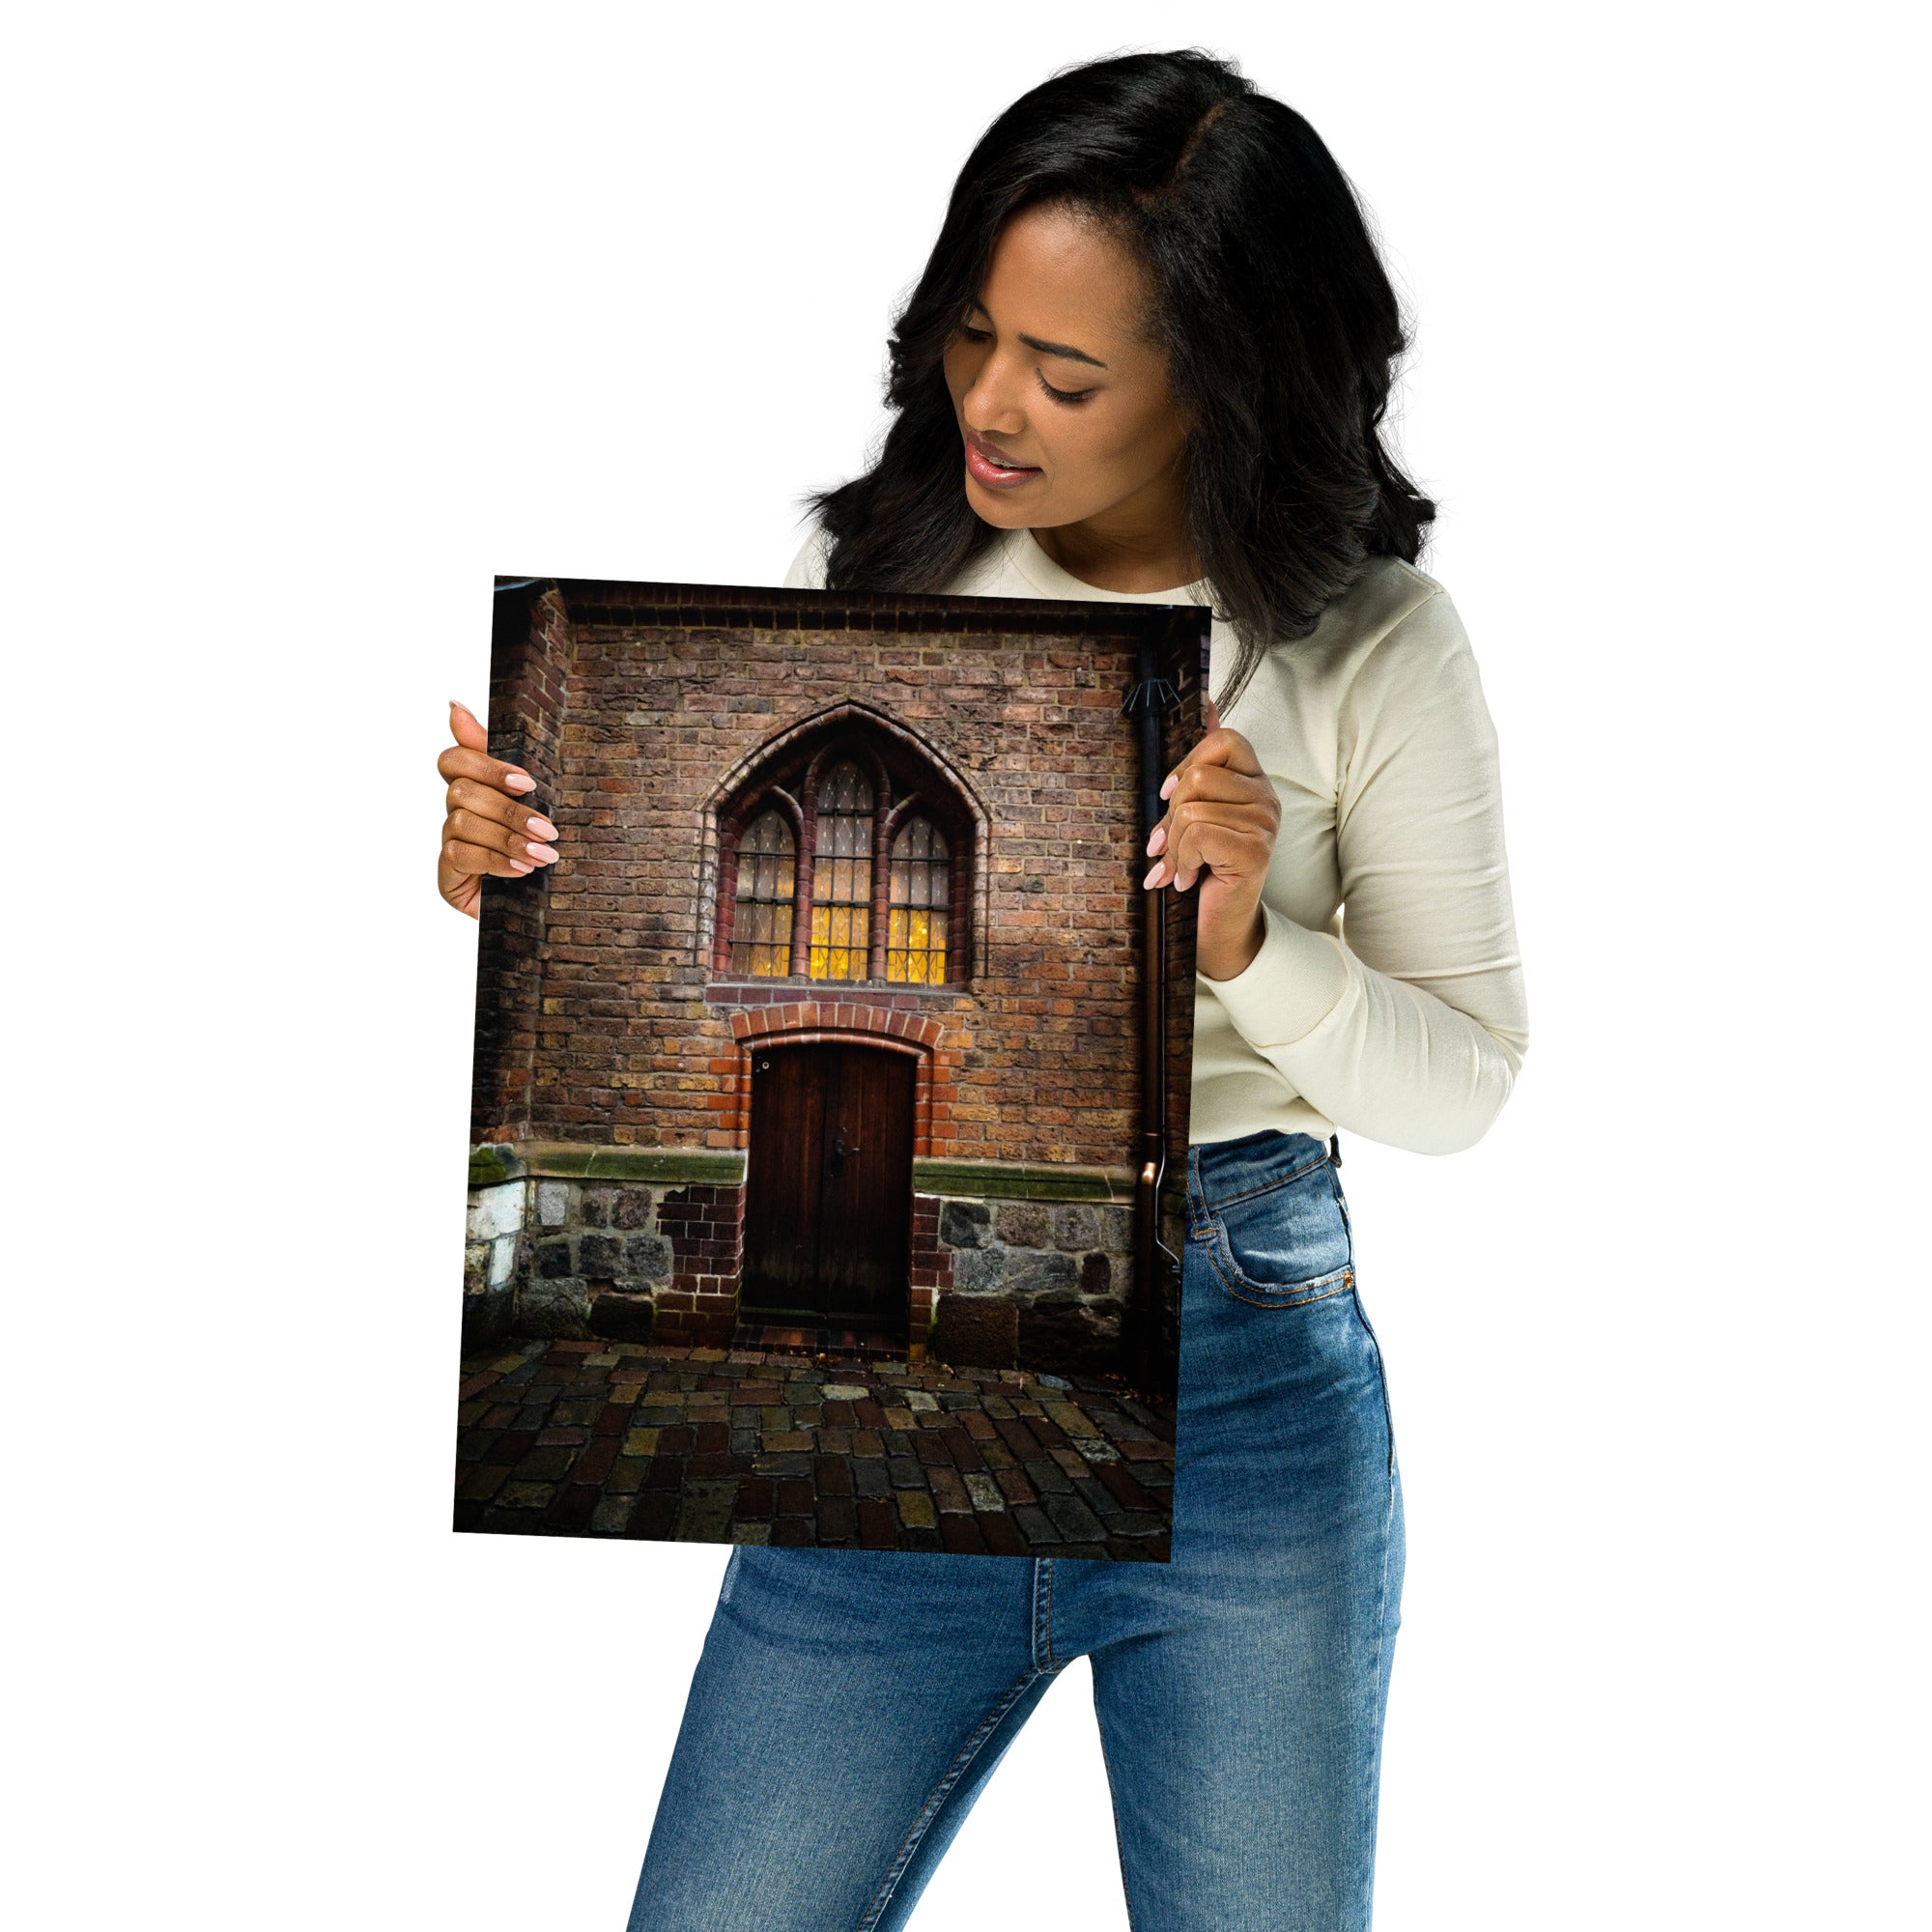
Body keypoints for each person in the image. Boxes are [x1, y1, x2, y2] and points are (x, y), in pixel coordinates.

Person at [437, 49, 1528, 1931]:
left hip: (1245, 1397)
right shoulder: (873, 569)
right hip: (873, 1403)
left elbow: (1463, 1086)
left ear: (1221, 385)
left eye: (1067, 371)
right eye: (971, 335)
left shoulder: (1370, 645)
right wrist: (521, 874)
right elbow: (688, 937)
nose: (990, 403)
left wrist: (1249, 943)